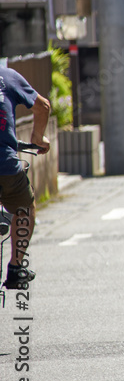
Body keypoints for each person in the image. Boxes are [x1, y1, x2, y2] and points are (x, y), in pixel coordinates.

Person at [0, 66, 50, 290]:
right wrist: (37, 137)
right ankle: (16, 267)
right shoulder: (7, 76)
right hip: (5, 164)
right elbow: (43, 106)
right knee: (24, 207)